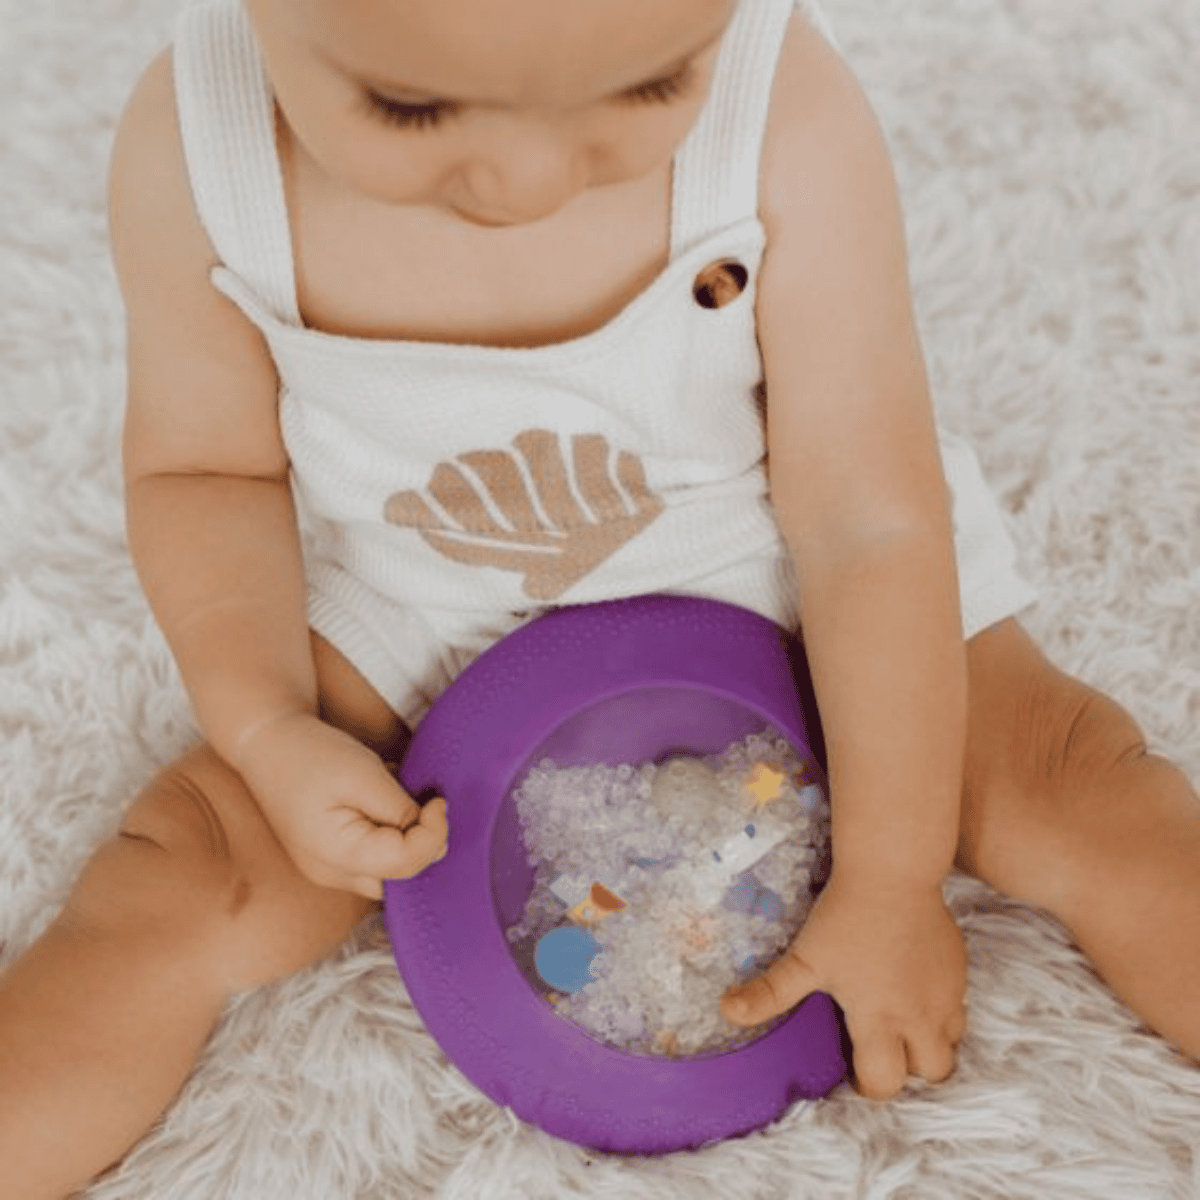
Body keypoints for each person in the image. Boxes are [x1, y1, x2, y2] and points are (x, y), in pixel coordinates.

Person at [3, 0, 1199, 1194]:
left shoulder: (784, 107)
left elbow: (866, 522)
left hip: (786, 558)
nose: (527, 182)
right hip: (428, 593)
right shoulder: (198, 139)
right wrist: (266, 724)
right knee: (187, 867)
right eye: (410, 107)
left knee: (1066, 778)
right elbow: (206, 470)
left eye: (647, 90)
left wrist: (890, 873)